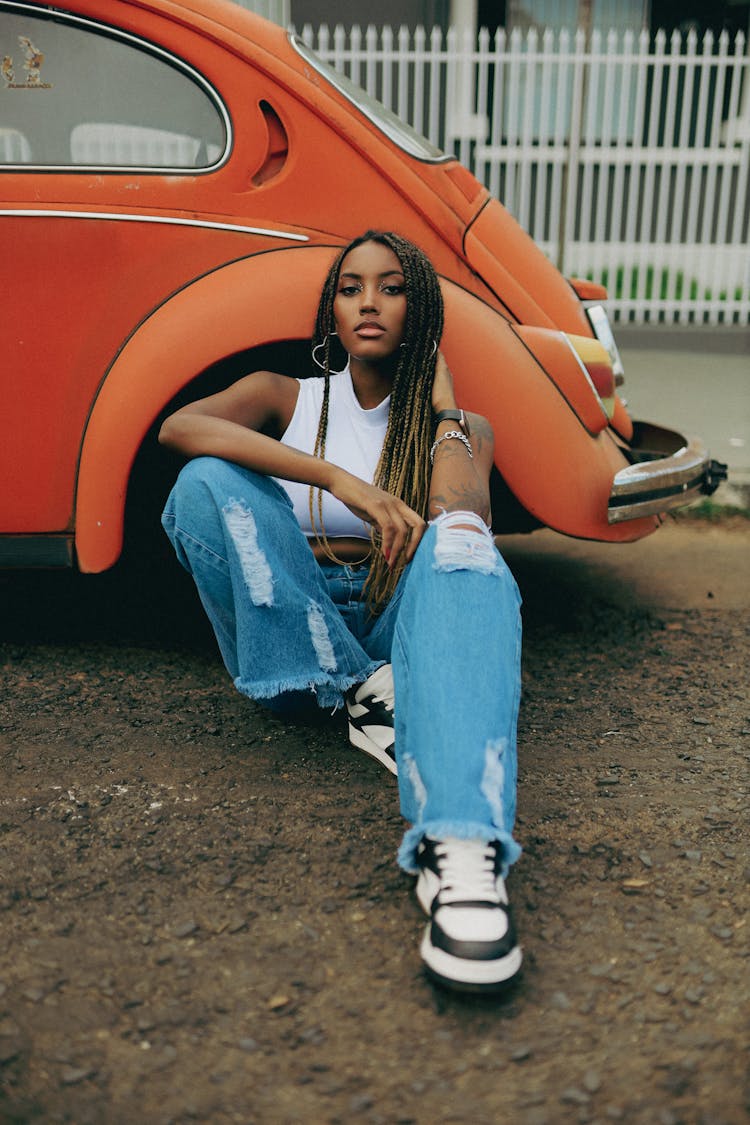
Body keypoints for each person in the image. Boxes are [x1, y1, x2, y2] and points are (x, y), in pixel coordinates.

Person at [159, 230, 523, 993]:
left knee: (462, 546)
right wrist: (337, 478)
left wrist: (445, 406)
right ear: (331, 308)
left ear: (418, 310)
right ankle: (361, 688)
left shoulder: (460, 429)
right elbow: (179, 427)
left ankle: (460, 844)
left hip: (395, 618)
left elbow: (463, 521)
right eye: (352, 286)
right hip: (292, 618)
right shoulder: (282, 395)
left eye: (391, 287)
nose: (368, 301)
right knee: (201, 484)